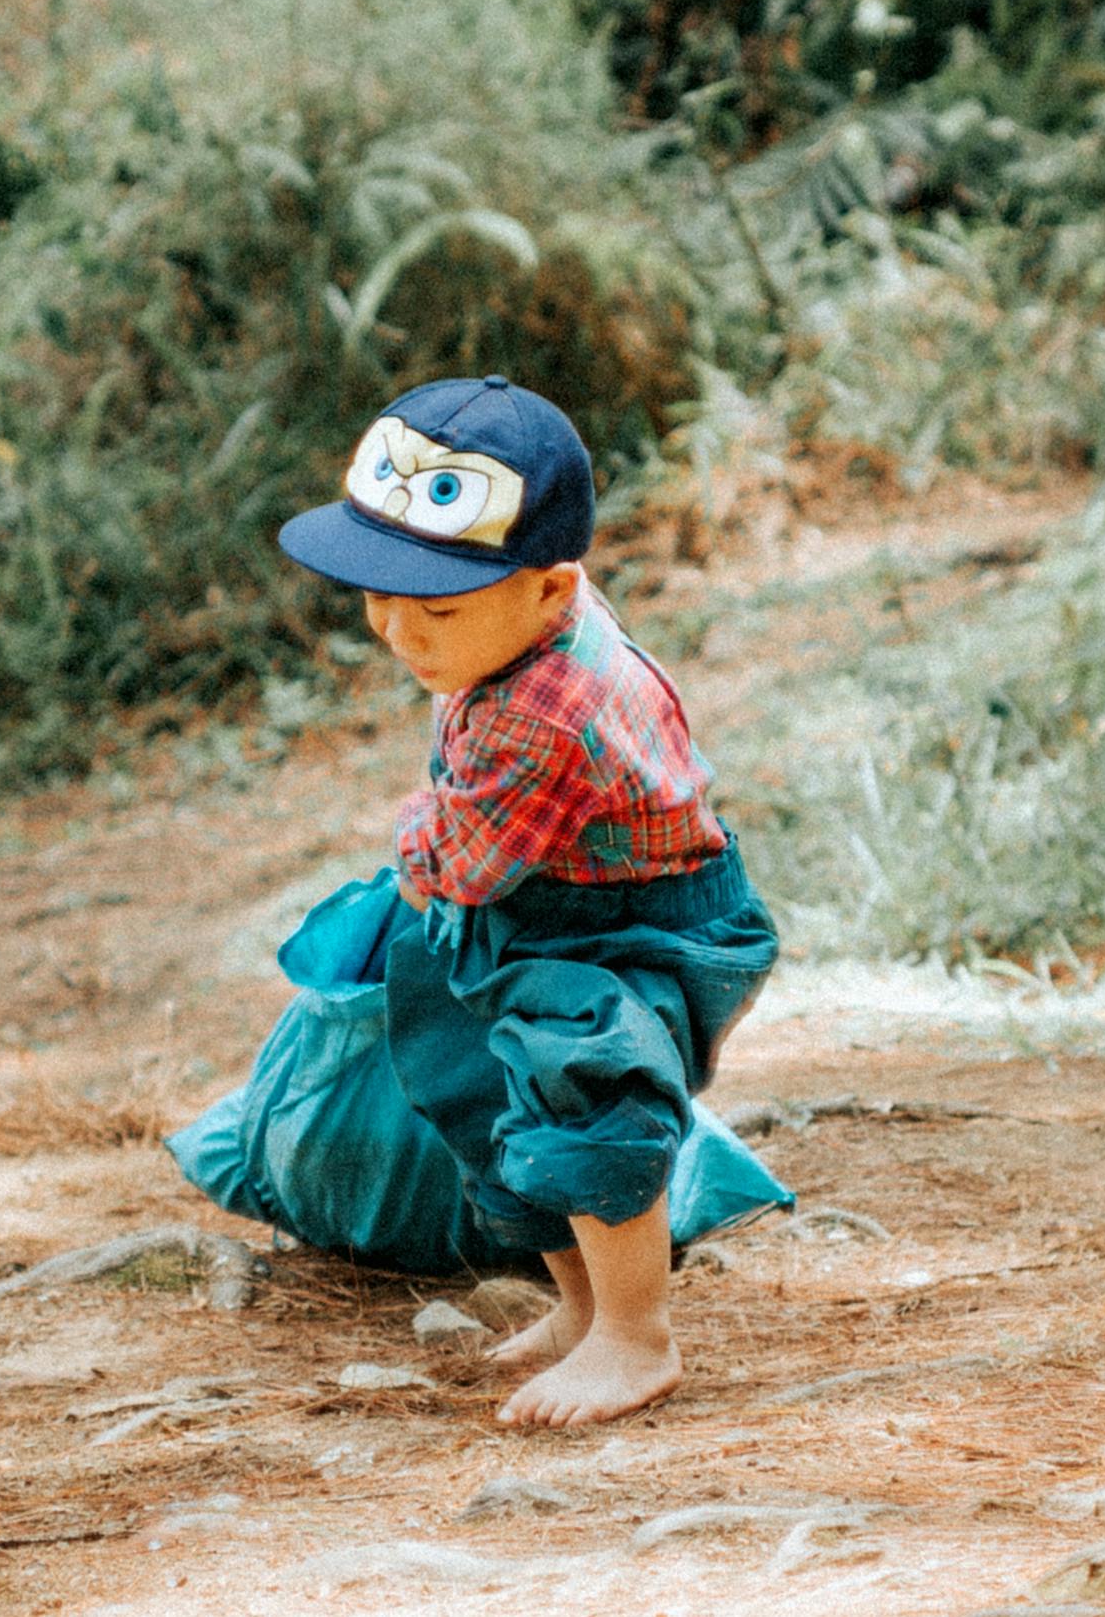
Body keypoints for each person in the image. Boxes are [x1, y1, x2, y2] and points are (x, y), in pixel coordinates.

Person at [276, 375, 779, 1428]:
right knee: (480, 1088)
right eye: (378, 599)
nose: (398, 633)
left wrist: (412, 830)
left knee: (586, 1089)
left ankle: (637, 1339)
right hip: (535, 900)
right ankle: (584, 1308)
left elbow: (454, 864)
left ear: (552, 593)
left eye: (436, 609)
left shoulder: (543, 716)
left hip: (628, 924)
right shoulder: (517, 622)